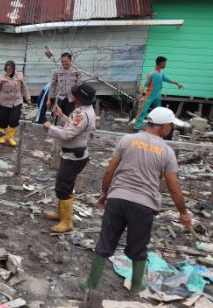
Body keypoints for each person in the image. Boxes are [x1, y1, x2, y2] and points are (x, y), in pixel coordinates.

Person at [80, 107, 191, 294]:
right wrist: (183, 212)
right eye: (170, 125)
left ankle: (91, 283)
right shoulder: (166, 151)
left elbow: (109, 170)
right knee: (138, 246)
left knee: (106, 241)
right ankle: (136, 286)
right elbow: (173, 186)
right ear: (164, 127)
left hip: (117, 198)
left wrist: (105, 193)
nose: (171, 129)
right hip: (143, 205)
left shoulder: (127, 139)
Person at [42, 83, 97, 233]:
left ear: (80, 98)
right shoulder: (83, 111)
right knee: (65, 185)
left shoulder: (82, 114)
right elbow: (73, 126)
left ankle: (67, 222)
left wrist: (50, 128)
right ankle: (61, 214)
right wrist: (61, 116)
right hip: (72, 155)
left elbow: (67, 134)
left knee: (63, 187)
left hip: (74, 157)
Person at [132, 56, 184, 131]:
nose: (165, 65)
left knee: (158, 113)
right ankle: (136, 127)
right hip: (149, 96)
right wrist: (140, 94)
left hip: (158, 97)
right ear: (160, 63)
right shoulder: (151, 74)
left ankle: (156, 128)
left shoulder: (161, 74)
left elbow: (168, 80)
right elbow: (144, 84)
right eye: (165, 63)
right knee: (143, 111)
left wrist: (177, 84)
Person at [0, 60, 31, 146]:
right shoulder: (1, 77)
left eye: (10, 69)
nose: (8, 71)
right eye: (7, 69)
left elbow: (24, 87)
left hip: (16, 101)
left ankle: (11, 137)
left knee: (14, 119)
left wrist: (28, 98)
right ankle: (3, 136)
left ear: (13, 69)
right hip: (4, 102)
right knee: (3, 119)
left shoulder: (19, 76)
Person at [47, 52, 81, 123]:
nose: (64, 63)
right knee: (55, 116)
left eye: (66, 61)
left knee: (69, 117)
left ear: (70, 61)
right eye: (62, 61)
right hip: (59, 98)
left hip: (71, 99)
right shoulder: (57, 71)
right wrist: (49, 99)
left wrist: (77, 99)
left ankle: (66, 131)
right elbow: (52, 85)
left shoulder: (77, 71)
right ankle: (54, 129)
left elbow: (78, 86)